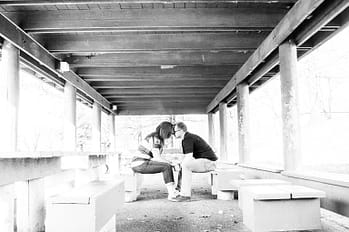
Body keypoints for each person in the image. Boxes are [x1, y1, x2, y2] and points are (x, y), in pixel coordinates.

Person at [130, 121, 179, 201]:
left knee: (166, 165)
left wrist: (170, 162)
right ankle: (172, 194)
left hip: (139, 163)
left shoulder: (154, 137)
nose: (171, 135)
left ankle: (173, 192)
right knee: (166, 167)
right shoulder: (156, 139)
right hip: (140, 163)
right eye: (170, 133)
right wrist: (171, 163)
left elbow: (157, 157)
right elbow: (157, 158)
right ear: (166, 131)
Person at [171, 122, 218, 202]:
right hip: (207, 162)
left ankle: (185, 195)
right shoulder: (187, 137)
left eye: (174, 131)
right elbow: (187, 157)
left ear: (181, 130)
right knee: (184, 165)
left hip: (209, 163)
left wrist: (180, 165)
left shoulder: (187, 138)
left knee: (185, 165)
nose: (173, 133)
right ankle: (180, 190)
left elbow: (189, 157)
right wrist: (179, 164)